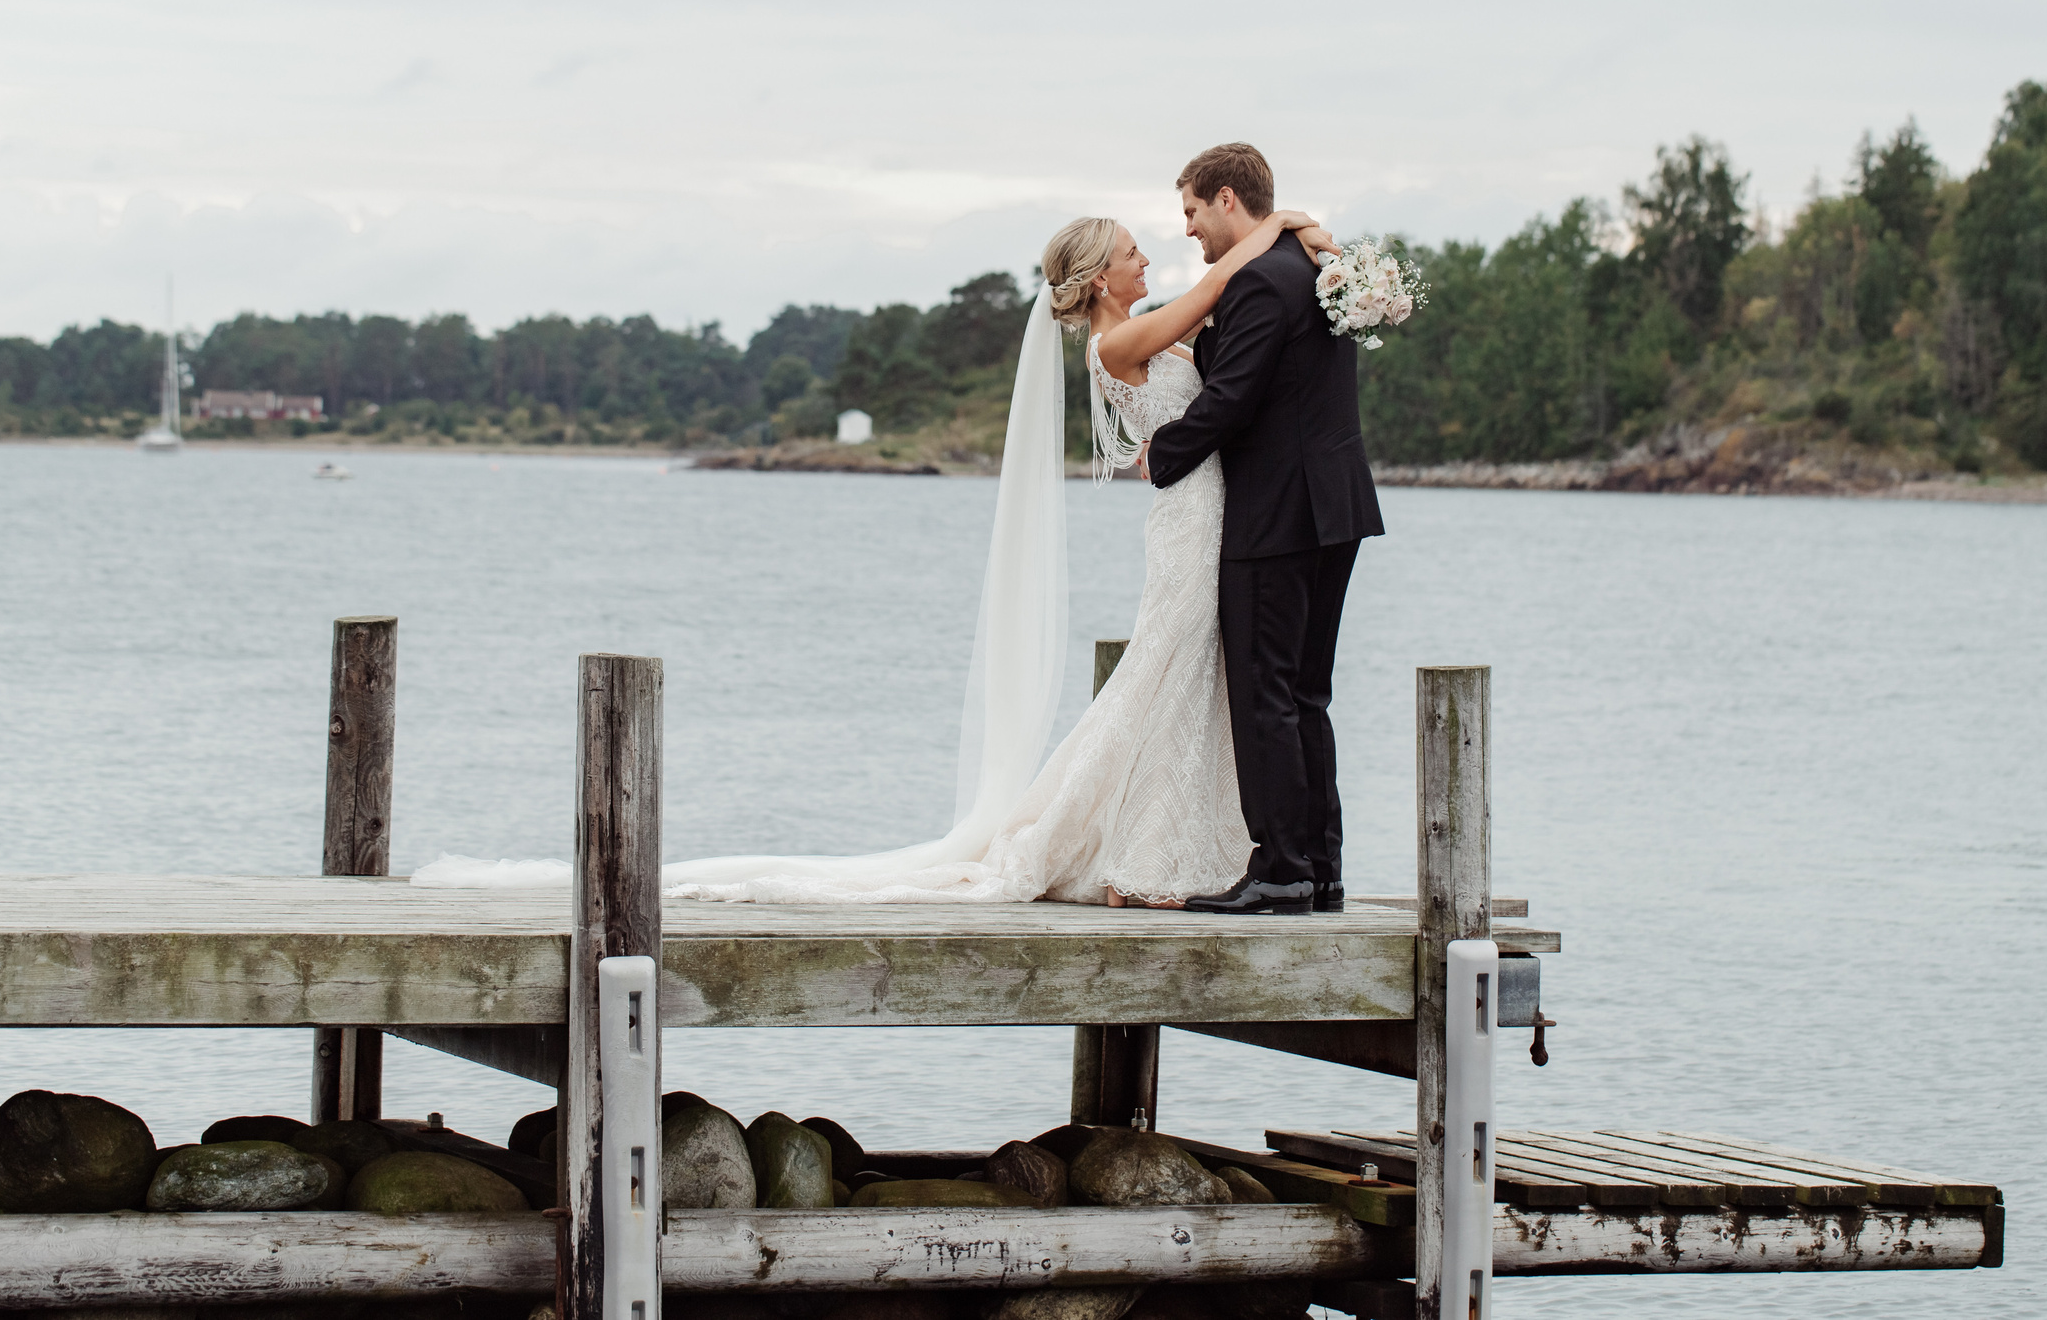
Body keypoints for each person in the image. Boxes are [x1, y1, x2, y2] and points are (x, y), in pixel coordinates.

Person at [413, 196, 1337, 904]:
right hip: (1191, 527)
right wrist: (1282, 226)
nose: (1151, 256)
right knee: (1166, 671)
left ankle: (1185, 845)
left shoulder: (1141, 325)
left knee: (1189, 677)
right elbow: (1218, 291)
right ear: (1101, 278)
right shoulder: (1121, 339)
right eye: (1135, 250)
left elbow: (1225, 332)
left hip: (1211, 516)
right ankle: (1131, 843)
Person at [1146, 143, 1384, 916]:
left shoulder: (1258, 280)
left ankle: (1280, 867)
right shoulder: (1317, 269)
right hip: (1336, 507)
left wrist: (1162, 454)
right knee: (1307, 692)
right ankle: (1320, 869)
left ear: (1224, 199)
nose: (1187, 230)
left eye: (1189, 211)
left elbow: (1232, 398)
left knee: (1265, 692)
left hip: (1278, 512)